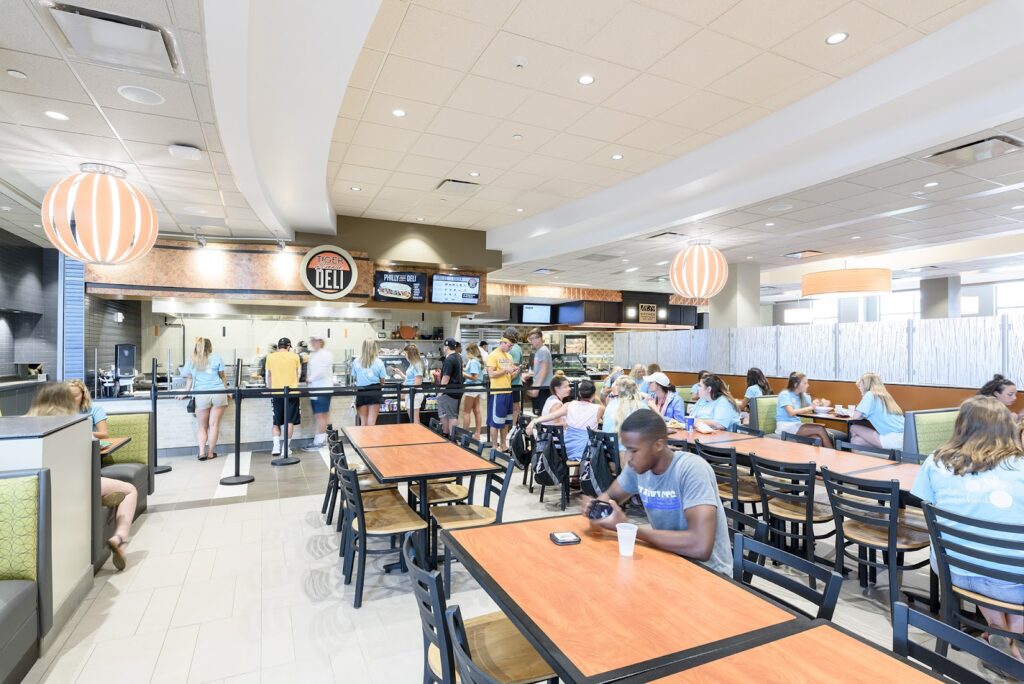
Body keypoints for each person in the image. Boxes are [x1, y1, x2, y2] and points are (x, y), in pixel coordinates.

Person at [911, 396, 1024, 664]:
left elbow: (926, 503)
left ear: (961, 425)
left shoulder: (936, 461)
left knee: (979, 550)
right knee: (1004, 559)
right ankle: (1014, 639)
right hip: (1013, 584)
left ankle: (998, 630)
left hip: (954, 570)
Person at [581, 410, 732, 574]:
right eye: (626, 450)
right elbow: (609, 497)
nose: (627, 458)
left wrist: (628, 529)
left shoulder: (691, 469)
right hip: (668, 561)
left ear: (658, 445)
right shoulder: (638, 468)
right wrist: (596, 511)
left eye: (633, 450)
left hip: (709, 574)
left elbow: (700, 547)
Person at [29, 383, 136, 571]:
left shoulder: (28, 427)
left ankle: (102, 496)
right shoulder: (72, 427)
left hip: (38, 489)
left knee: (98, 485)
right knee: (129, 490)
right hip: (75, 484)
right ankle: (119, 538)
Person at [527, 380, 604, 461]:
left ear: (579, 394)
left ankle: (580, 472)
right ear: (594, 394)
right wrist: (596, 398)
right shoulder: (599, 409)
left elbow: (552, 415)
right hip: (586, 450)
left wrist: (534, 421)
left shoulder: (569, 405)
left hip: (567, 449)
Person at [181, 337, 228, 461]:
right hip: (218, 392)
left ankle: (201, 452)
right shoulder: (217, 358)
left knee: (202, 426)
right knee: (214, 425)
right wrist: (226, 390)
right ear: (210, 347)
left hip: (201, 394)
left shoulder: (191, 360)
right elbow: (222, 377)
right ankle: (211, 453)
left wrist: (185, 393)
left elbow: (189, 378)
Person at [775, 372, 833, 447]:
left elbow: (815, 406)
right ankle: (834, 455)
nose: (808, 385)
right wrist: (810, 407)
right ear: (796, 385)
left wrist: (823, 403)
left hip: (796, 425)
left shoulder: (803, 396)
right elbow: (791, 413)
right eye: (805, 383)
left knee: (817, 439)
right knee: (820, 429)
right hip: (785, 426)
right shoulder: (785, 394)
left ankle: (818, 458)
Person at [848, 373, 905, 450]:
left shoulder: (870, 395)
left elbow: (856, 416)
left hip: (892, 439)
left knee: (853, 427)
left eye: (860, 386)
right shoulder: (886, 396)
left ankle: (851, 457)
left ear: (866, 385)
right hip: (904, 440)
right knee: (856, 441)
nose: (860, 389)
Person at [265, 337, 302, 455]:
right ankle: (285, 448)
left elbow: (268, 376)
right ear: (288, 346)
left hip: (276, 393)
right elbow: (298, 374)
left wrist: (270, 389)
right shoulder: (295, 356)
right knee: (289, 421)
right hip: (292, 392)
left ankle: (275, 448)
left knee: (276, 421)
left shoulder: (270, 357)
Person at [485, 336, 520, 448]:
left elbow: (510, 377)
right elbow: (491, 374)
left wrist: (515, 372)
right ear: (503, 343)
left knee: (506, 421)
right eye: (509, 345)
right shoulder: (493, 355)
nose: (510, 348)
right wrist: (505, 370)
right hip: (497, 393)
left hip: (508, 392)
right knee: (495, 422)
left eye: (511, 346)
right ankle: (495, 446)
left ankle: (504, 445)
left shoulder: (509, 356)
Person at [302, 333, 334, 451]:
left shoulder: (326, 354)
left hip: (323, 389)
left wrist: (309, 379)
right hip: (314, 389)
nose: (312, 343)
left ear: (320, 341)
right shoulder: (313, 354)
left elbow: (322, 371)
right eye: (312, 341)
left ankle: (321, 441)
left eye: (315, 341)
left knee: (321, 415)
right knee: (318, 415)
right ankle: (319, 439)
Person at [352, 338, 388, 427]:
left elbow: (354, 377)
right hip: (375, 392)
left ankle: (363, 441)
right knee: (371, 423)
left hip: (361, 392)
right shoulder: (379, 362)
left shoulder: (356, 361)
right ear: (374, 347)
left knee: (363, 422)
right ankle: (371, 441)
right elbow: (382, 380)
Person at [522, 328, 553, 415]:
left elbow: (544, 370)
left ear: (539, 338)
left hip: (543, 388)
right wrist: (528, 375)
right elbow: (539, 370)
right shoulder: (538, 351)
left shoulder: (543, 351)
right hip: (539, 387)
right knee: (538, 413)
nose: (531, 341)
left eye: (532, 339)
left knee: (542, 414)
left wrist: (537, 388)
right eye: (530, 339)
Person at [437, 338, 464, 437]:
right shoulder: (458, 357)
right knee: (447, 414)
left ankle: (451, 437)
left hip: (450, 392)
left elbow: (446, 377)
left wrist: (440, 392)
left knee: (451, 415)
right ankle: (447, 434)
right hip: (457, 390)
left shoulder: (449, 359)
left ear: (446, 347)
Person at [460, 342, 485, 441]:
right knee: (476, 410)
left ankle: (465, 434)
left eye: (467, 352)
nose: (467, 355)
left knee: (466, 411)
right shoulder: (477, 361)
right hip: (477, 388)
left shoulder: (473, 361)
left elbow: (474, 377)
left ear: (471, 352)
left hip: (472, 388)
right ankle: (477, 434)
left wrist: (462, 373)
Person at [399, 344, 425, 426]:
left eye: (406, 354)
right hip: (410, 394)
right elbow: (410, 379)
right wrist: (400, 374)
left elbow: (417, 382)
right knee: (412, 419)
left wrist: (405, 392)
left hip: (414, 394)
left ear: (410, 354)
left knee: (415, 421)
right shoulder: (412, 364)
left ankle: (418, 437)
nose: (405, 356)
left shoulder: (417, 364)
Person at [504, 327, 525, 427]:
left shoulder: (514, 349)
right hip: (511, 383)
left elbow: (516, 368)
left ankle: (512, 428)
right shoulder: (512, 347)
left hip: (513, 384)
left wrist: (507, 380)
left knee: (515, 407)